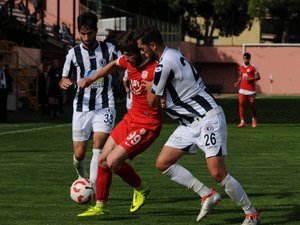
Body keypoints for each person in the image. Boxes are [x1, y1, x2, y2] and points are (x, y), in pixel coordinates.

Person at [136, 26, 260, 225]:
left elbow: (151, 101)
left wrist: (150, 86)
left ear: (153, 45)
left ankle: (251, 213)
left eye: (143, 49)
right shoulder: (174, 54)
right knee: (163, 163)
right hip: (188, 123)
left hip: (207, 118)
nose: (142, 53)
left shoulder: (163, 65)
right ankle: (206, 195)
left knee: (218, 173)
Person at [76, 30, 163, 216]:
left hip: (147, 125)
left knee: (113, 162)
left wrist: (155, 91)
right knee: (102, 161)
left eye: (129, 55)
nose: (126, 59)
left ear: (141, 51)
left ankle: (141, 188)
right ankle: (100, 206)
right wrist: (91, 79)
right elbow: (113, 65)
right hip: (130, 118)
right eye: (125, 54)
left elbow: (156, 102)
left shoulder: (155, 69)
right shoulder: (127, 60)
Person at [59, 12, 119, 189]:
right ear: (78, 32)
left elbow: (126, 63)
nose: (86, 38)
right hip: (81, 107)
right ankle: (81, 176)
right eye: (82, 34)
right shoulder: (72, 54)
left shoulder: (110, 49)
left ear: (96, 31)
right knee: (79, 155)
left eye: (90, 33)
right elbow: (63, 78)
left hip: (105, 105)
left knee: (99, 143)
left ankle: (92, 186)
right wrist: (63, 81)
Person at [234, 52, 260, 128]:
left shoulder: (253, 67)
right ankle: (242, 122)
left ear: (249, 59)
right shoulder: (241, 67)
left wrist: (251, 79)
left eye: (246, 58)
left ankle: (254, 120)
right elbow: (241, 77)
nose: (245, 60)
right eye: (244, 58)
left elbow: (258, 77)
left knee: (252, 106)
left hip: (251, 90)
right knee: (241, 104)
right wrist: (238, 82)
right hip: (242, 90)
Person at [0, 54, 13, 123]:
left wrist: (10, 89)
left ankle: (3, 119)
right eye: (2, 61)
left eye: (4, 61)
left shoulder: (5, 70)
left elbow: (9, 80)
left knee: (4, 105)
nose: (3, 63)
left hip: (4, 90)